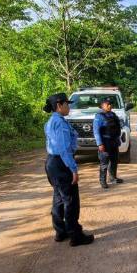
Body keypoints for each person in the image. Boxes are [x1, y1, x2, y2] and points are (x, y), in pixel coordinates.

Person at [43, 93, 95, 246]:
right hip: (61, 163)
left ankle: (61, 231)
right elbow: (64, 149)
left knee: (58, 199)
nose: (69, 107)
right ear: (59, 105)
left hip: (52, 162)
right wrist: (73, 169)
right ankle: (75, 235)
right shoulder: (60, 123)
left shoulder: (51, 121)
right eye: (67, 104)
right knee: (70, 201)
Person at [94, 96, 123, 189]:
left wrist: (118, 140)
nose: (110, 106)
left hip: (114, 141)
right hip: (105, 142)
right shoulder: (99, 116)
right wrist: (100, 144)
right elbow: (96, 131)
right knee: (104, 163)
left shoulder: (113, 115)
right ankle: (103, 181)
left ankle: (113, 177)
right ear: (102, 105)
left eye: (111, 104)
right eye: (108, 104)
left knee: (114, 161)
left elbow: (117, 127)